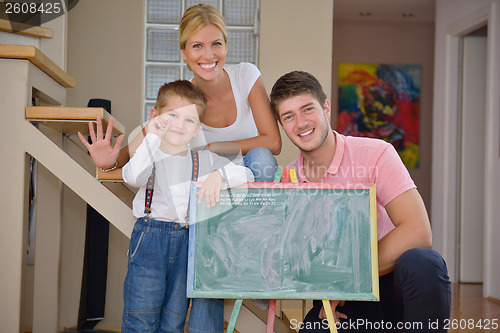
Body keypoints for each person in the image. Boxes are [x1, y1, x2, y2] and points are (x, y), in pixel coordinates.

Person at [269, 71, 451, 332]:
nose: (300, 123)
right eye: (288, 116)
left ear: (326, 107)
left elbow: (418, 231)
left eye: (307, 109)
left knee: (424, 263)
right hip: (344, 302)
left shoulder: (377, 154)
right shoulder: (287, 181)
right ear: (282, 125)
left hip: (393, 282)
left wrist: (348, 278)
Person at [79, 3, 281, 183]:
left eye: (216, 44)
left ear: (226, 47)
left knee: (262, 157)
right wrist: (107, 163)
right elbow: (132, 151)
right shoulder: (182, 97)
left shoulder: (245, 75)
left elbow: (273, 142)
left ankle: (255, 222)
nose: (209, 55)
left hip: (249, 173)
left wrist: (214, 147)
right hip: (208, 179)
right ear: (184, 52)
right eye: (197, 46)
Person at [120, 80, 254, 332]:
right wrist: (152, 135)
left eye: (189, 120)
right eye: (172, 116)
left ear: (197, 129)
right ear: (155, 117)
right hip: (149, 240)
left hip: (186, 242)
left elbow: (248, 174)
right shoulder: (149, 153)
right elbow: (132, 177)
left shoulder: (203, 159)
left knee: (174, 321)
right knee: (141, 317)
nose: (180, 125)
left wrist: (220, 175)